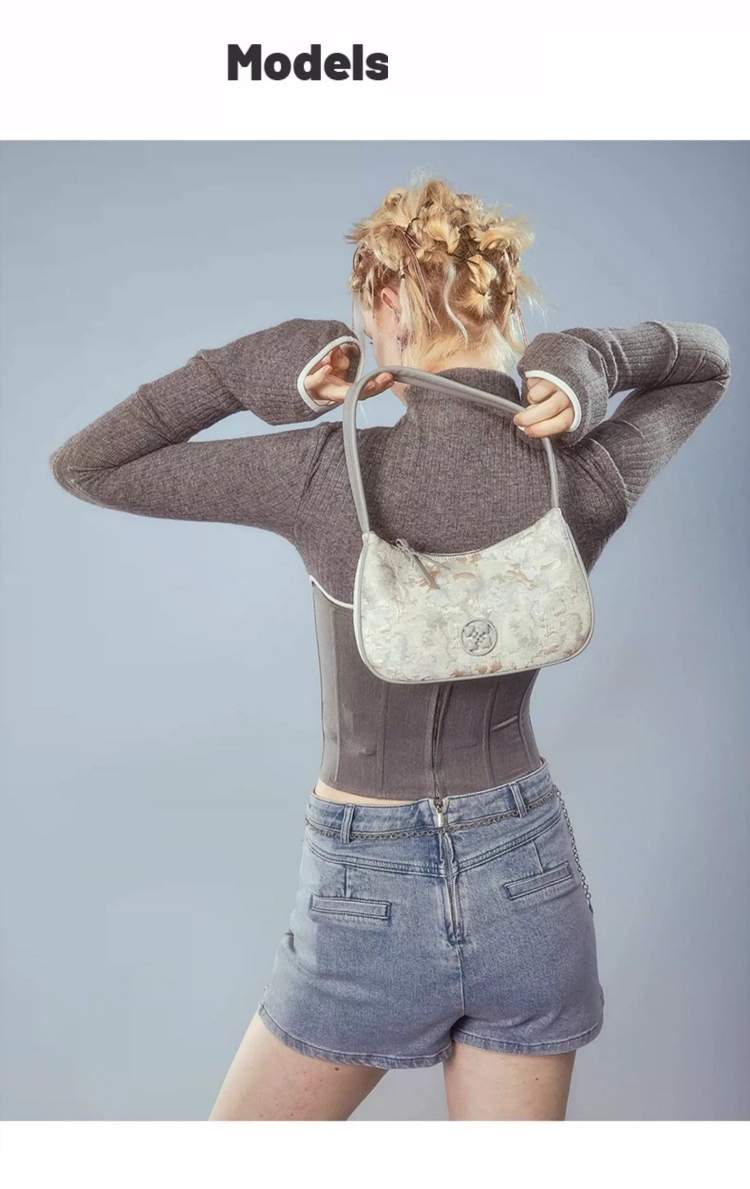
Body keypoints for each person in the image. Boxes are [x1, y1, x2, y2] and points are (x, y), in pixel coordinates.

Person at [49, 178, 731, 1121]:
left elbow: (86, 464)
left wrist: (260, 369)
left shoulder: (326, 473)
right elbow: (705, 362)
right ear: (505, 307)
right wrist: (585, 364)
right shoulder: (583, 477)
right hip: (531, 876)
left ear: (385, 308)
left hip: (363, 890)